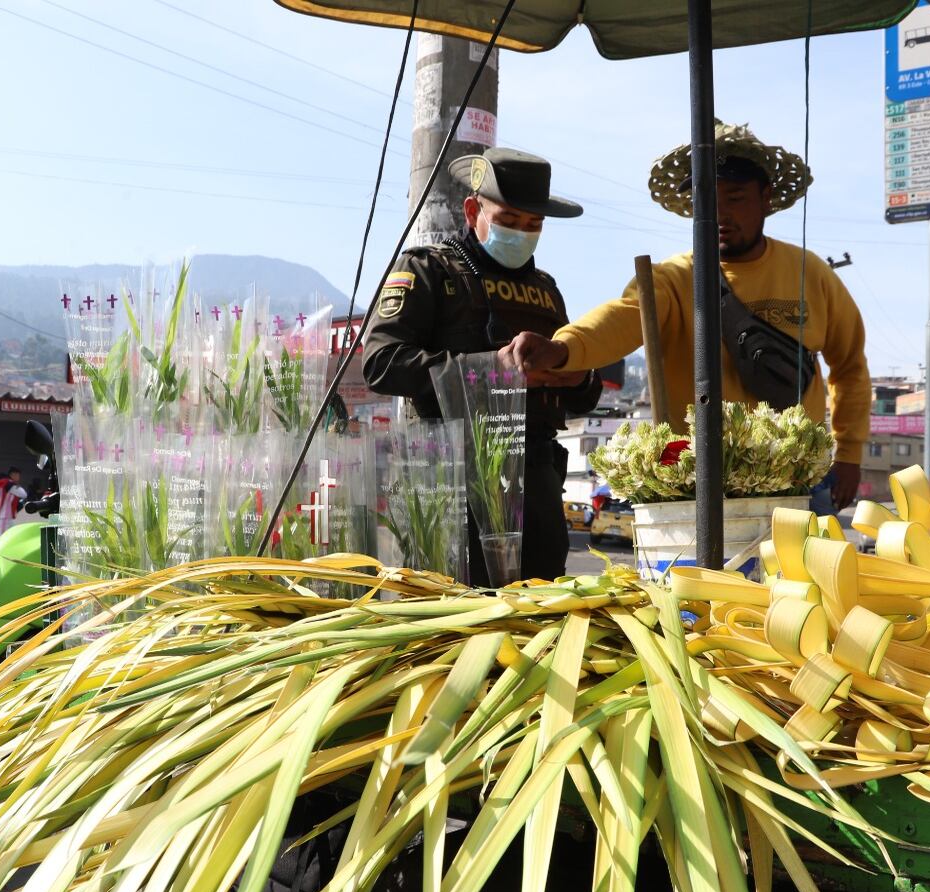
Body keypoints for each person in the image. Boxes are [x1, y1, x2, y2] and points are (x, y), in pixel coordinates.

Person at [500, 121, 871, 512]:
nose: (720, 213)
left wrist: (849, 454)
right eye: (706, 198)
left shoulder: (811, 273)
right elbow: (623, 317)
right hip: (691, 476)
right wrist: (563, 348)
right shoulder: (672, 279)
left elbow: (849, 368)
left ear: (766, 198)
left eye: (736, 197)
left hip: (795, 477)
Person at [360, 147, 603, 583]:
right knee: (454, 623)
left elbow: (586, 392)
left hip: (537, 481)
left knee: (538, 622)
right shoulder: (430, 270)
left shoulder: (546, 290)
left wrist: (577, 374)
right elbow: (381, 362)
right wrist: (494, 370)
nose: (522, 233)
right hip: (452, 483)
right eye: (509, 220)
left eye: (534, 225)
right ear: (473, 210)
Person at [0, 466, 27, 536]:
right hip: (4, 516)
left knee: (8, 535)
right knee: (2, 536)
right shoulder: (10, 485)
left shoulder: (3, 485)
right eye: (18, 475)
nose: (19, 477)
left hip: (5, 517)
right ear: (12, 475)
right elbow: (24, 494)